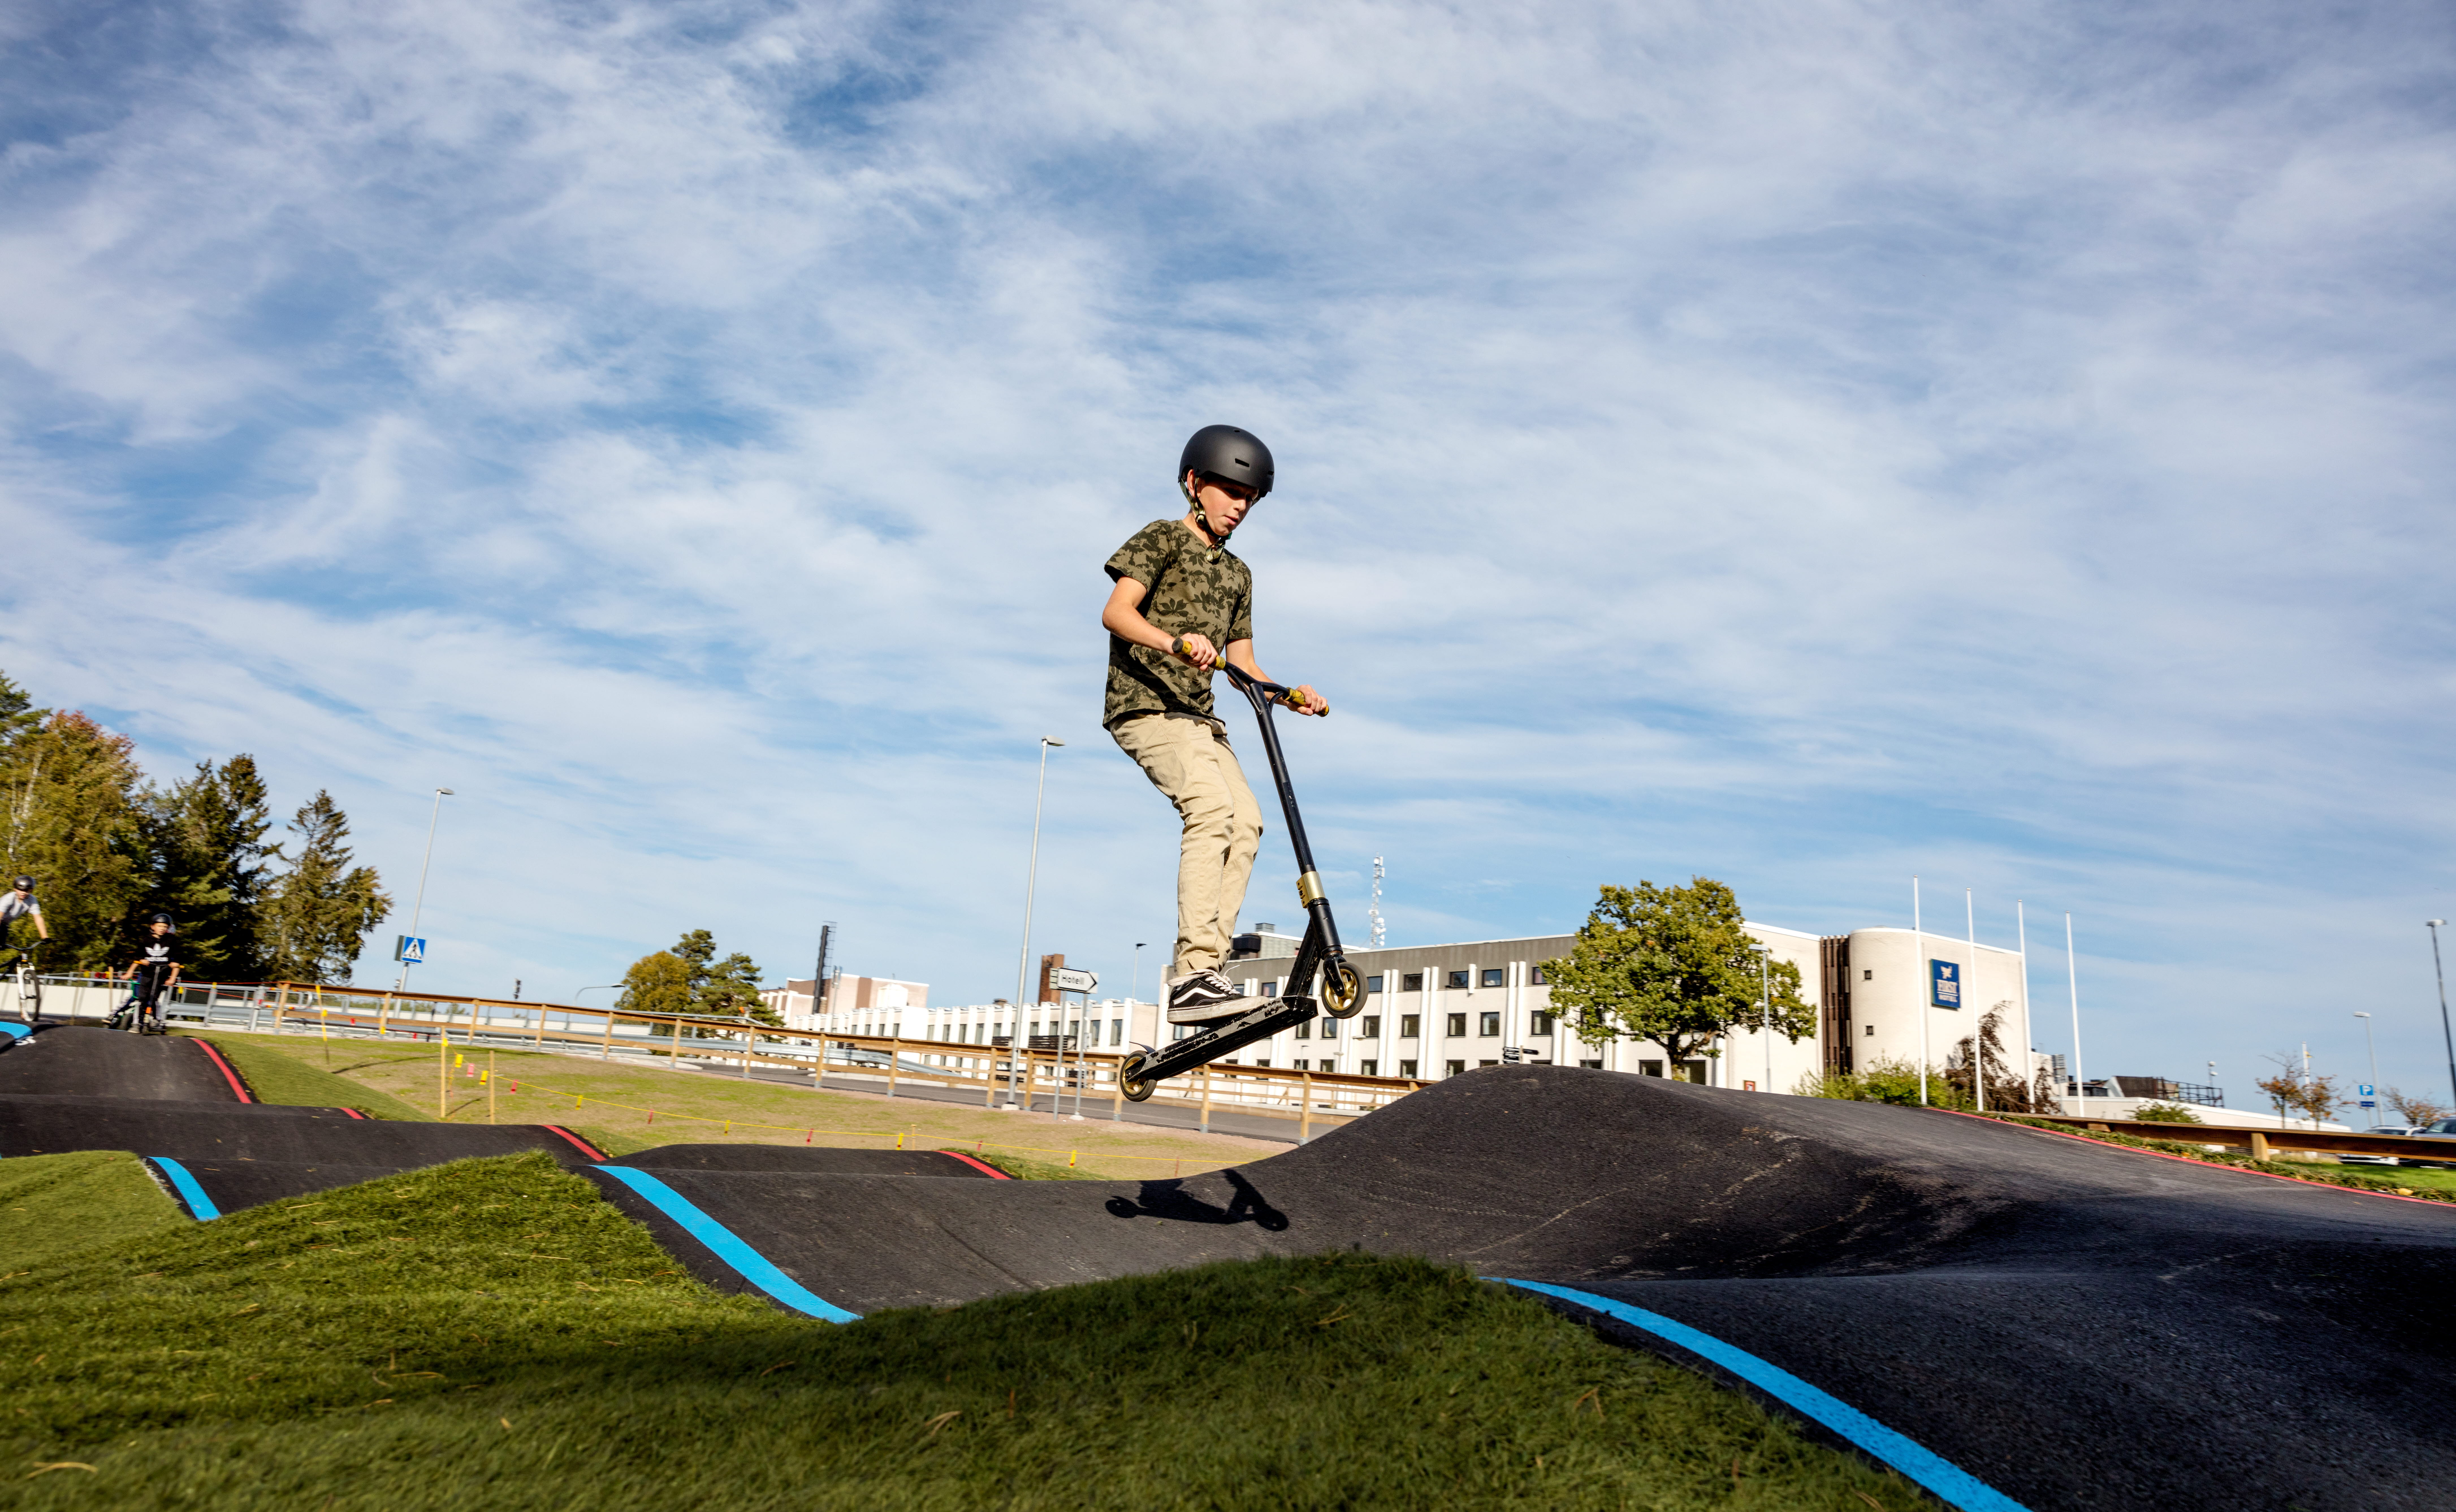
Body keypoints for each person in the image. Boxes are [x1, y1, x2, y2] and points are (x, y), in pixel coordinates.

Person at [1100, 425, 1328, 1026]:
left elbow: (1243, 666)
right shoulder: (1160, 539)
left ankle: (1212, 973)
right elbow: (1117, 612)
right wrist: (1175, 643)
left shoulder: (1239, 575)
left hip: (1200, 718)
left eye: (1249, 497)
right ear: (1195, 484)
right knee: (1211, 809)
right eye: (1229, 490)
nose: (1239, 506)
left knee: (1247, 823)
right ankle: (1193, 973)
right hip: (1146, 706)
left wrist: (1288, 695)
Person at [119, 913, 181, 1034]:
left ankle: (157, 1021)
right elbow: (138, 957)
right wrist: (139, 964)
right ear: (153, 927)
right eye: (160, 926)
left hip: (161, 974)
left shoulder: (172, 941)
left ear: (168, 928)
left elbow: (178, 960)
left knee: (154, 999)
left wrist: (173, 976)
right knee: (142, 999)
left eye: (165, 927)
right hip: (147, 974)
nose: (162, 929)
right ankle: (137, 1024)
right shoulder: (146, 940)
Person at [1, 876, 46, 1021]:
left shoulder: (32, 900)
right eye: (21, 890)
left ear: (31, 890)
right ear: (15, 889)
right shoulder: (9, 899)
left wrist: (45, 937)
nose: (24, 893)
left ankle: (24, 1010)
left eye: (27, 890)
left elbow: (38, 918)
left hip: (4, 926)